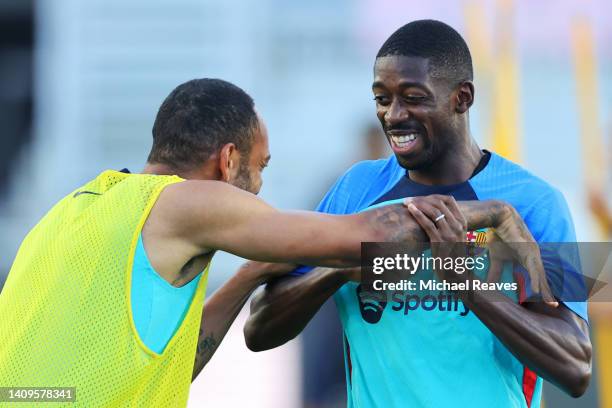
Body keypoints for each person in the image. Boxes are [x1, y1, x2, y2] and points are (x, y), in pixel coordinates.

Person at [0, 78, 536, 407]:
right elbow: (369, 238)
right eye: (259, 170)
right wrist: (489, 209)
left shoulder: (72, 209)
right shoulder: (190, 200)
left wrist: (249, 274)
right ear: (227, 160)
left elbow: (170, 364)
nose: (260, 189)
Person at [244, 20, 592, 407]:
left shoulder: (537, 203)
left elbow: (576, 366)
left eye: (412, 97)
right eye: (381, 98)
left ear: (462, 98)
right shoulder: (354, 191)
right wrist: (349, 265)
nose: (393, 115)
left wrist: (468, 286)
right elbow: (259, 331)